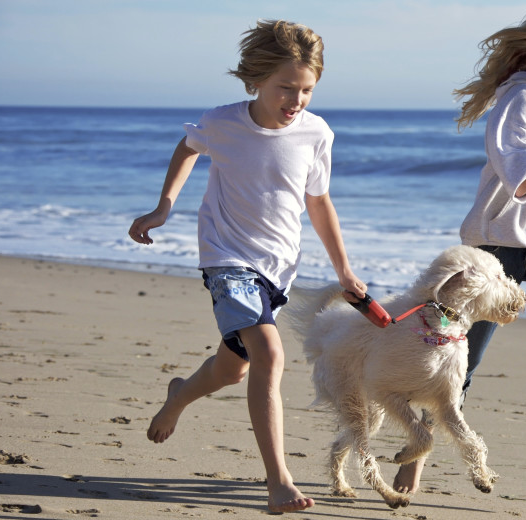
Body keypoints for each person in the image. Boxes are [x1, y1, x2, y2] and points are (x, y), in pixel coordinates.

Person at [128, 19, 366, 513]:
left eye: (306, 90)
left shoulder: (317, 132)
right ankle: (278, 479)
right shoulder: (223, 122)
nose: (295, 100)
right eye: (285, 88)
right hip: (226, 258)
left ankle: (179, 395)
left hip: (278, 268)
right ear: (256, 79)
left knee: (231, 370)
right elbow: (188, 148)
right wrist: (164, 205)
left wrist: (343, 270)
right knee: (269, 355)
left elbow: (319, 203)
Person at [394, 2, 526, 493]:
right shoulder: (517, 102)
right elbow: (523, 183)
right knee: (460, 362)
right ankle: (421, 446)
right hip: (497, 247)